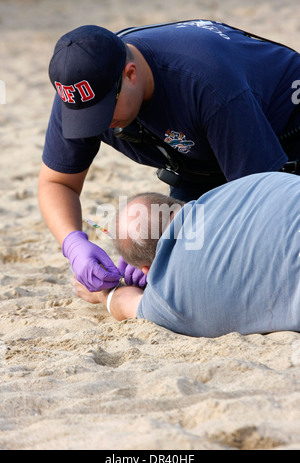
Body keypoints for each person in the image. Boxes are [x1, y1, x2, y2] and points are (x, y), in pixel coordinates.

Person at [39, 20, 300, 293]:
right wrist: (73, 243)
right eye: (87, 116)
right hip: (197, 156)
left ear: (130, 74)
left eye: (104, 112)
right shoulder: (83, 92)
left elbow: (261, 206)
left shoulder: (206, 85)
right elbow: (56, 183)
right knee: (161, 246)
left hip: (281, 138)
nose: (100, 125)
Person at [73, 171, 300, 338]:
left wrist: (103, 293)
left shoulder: (169, 298)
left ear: (146, 271)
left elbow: (125, 303)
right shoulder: (247, 184)